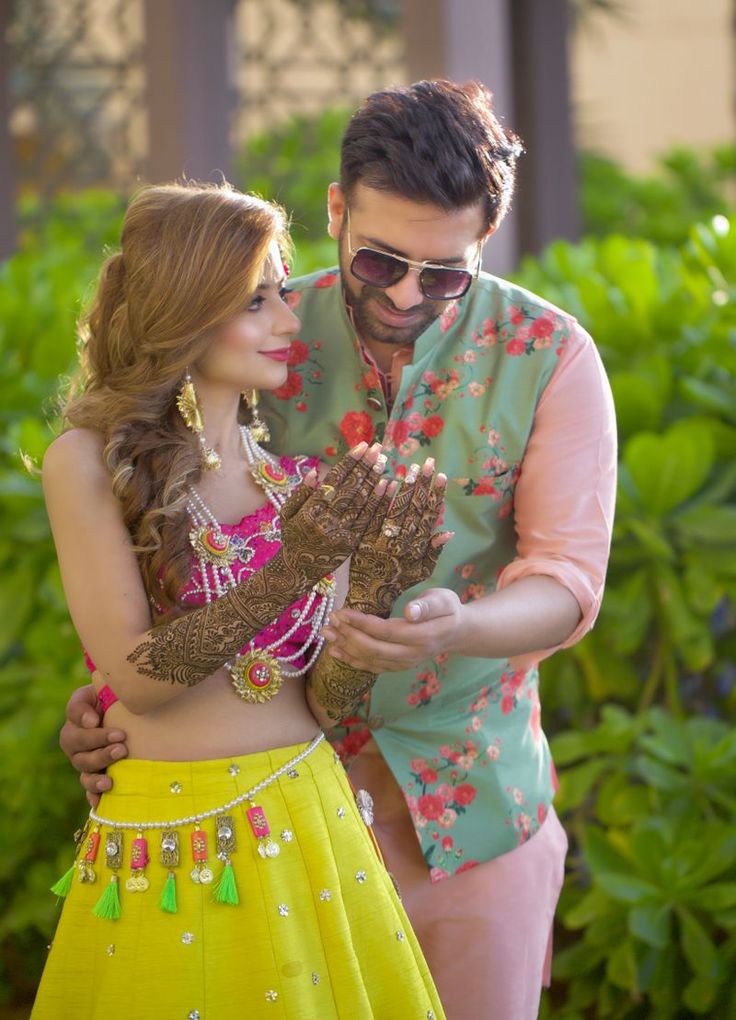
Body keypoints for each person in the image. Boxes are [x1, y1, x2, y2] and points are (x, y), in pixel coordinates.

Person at [60, 80, 617, 1019]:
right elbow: (150, 532)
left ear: (485, 240)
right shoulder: (246, 325)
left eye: (445, 273)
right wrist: (120, 698)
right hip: (261, 819)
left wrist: (456, 626)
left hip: (467, 806)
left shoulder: (549, 354)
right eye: (380, 259)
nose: (407, 294)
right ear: (335, 210)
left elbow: (567, 577)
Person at [33, 180, 449, 1020]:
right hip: (168, 838)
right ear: (188, 308)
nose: (290, 324)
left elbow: (325, 705)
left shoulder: (299, 487)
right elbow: (142, 679)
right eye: (257, 301)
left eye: (284, 296)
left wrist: (372, 591)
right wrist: (297, 569)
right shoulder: (87, 463)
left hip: (308, 820)